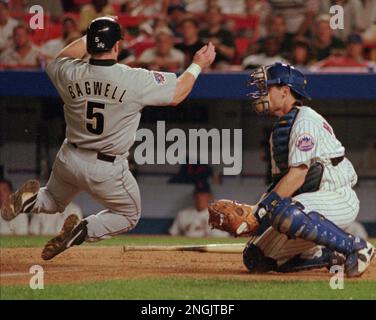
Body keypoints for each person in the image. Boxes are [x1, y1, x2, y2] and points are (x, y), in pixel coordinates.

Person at [0, 17, 216, 260]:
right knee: (128, 215)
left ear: (91, 45)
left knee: (51, 199)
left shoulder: (71, 73)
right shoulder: (133, 78)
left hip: (69, 157)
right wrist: (198, 64)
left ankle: (29, 201)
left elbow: (59, 58)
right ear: (117, 46)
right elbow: (178, 93)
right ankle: (83, 230)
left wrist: (91, 37)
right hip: (106, 167)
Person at [242, 62, 374, 277]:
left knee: (284, 212)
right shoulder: (279, 131)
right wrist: (252, 215)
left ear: (285, 91)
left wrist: (260, 211)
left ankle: (357, 247)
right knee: (255, 259)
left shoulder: (306, 120)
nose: (260, 94)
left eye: (266, 88)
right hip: (307, 206)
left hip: (336, 197)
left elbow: (297, 176)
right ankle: (324, 255)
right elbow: (280, 185)